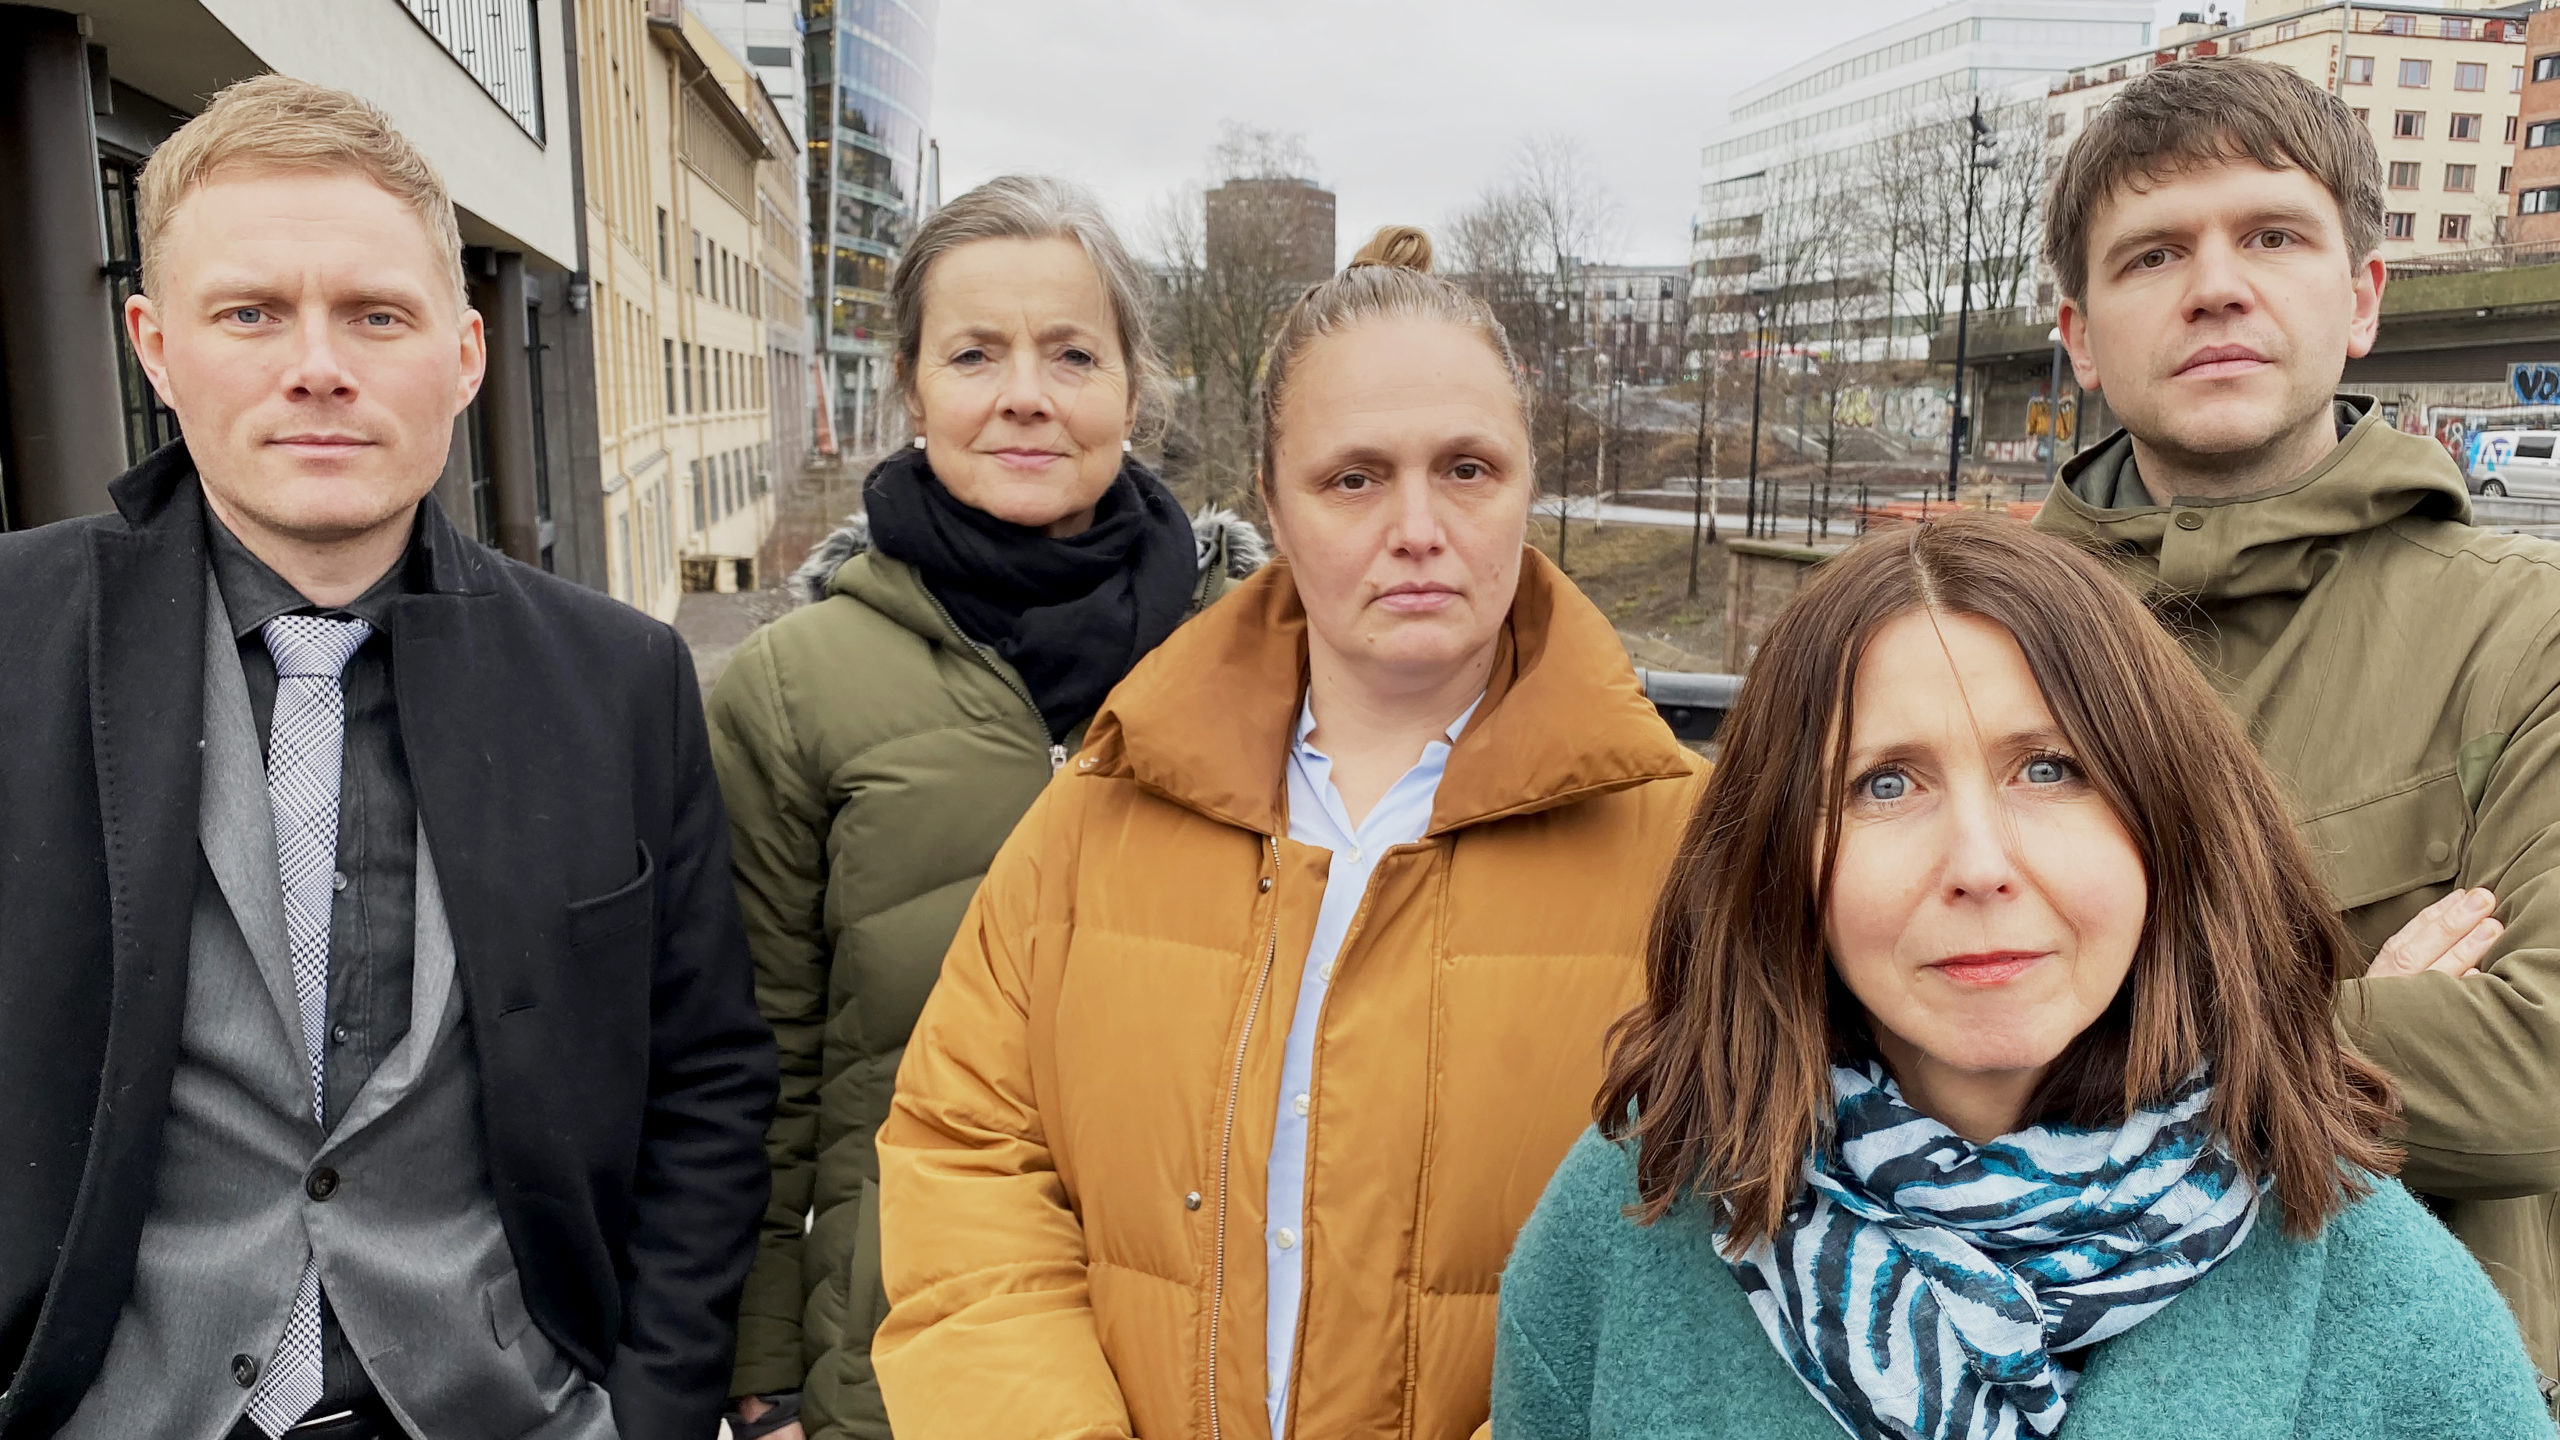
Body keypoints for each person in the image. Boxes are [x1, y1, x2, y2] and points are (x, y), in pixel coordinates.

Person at [0, 77, 776, 1440]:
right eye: (250, 314)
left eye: (375, 314)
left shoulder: (620, 679)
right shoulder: (11, 638)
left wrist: (653, 1411)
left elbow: (705, 1078)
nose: (318, 366)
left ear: (465, 354)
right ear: (156, 347)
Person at [865, 225, 1706, 1439]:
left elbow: (1717, 1262)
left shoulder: (1696, 854)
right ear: (1270, 499)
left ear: (1527, 480)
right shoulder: (1101, 811)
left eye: (1467, 469)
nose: (1417, 527)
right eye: (1353, 478)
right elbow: (967, 1160)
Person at [1495, 514, 2555, 1439]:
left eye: (2048, 769)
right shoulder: (1623, 1225)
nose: (1979, 864)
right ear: (1778, 856)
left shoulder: (2396, 1311)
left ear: (2169, 823)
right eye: (1885, 784)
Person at [2030, 58, 2560, 1388]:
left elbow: (2538, 1077)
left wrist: (2052, 1038)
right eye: (2153, 253)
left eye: (2272, 236)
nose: (2216, 286)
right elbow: (1812, 1029)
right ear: (2080, 333)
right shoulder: (1953, 640)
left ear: (2362, 296)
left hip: (2390, 1395)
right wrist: (2351, 1025)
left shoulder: (2523, 633)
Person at [708, 173, 1263, 1440]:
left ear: (1134, 387)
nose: (1025, 393)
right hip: (902, 1369)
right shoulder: (791, 691)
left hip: (1208, 1369)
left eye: (1071, 353)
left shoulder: (1262, 661)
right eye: (973, 354)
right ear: (912, 389)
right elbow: (756, 1062)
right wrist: (765, 1371)